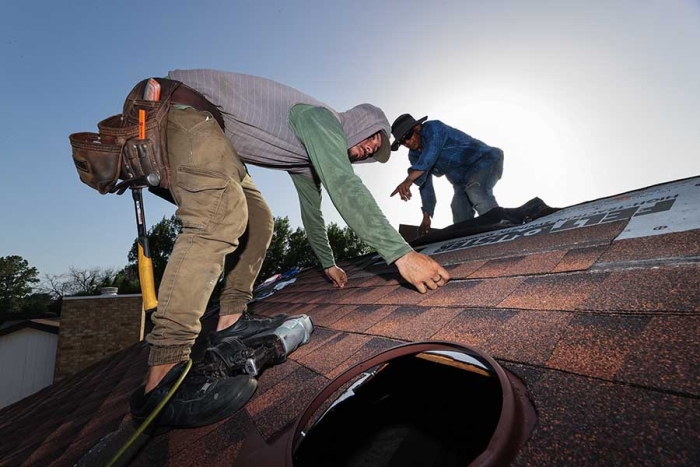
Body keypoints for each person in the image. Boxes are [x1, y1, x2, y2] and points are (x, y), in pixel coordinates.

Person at [131, 72, 451, 426]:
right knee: (220, 213)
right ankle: (161, 381)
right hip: (180, 107)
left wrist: (328, 264)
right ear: (361, 122)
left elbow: (312, 211)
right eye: (373, 138)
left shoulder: (306, 159)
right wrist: (401, 254)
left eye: (374, 152)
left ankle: (230, 321)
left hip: (213, 132)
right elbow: (343, 184)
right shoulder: (323, 119)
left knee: (259, 220)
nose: (371, 149)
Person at [389, 114, 504, 234]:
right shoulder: (414, 156)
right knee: (458, 209)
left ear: (417, 128)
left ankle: (499, 228)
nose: (407, 142)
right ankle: (468, 241)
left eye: (408, 136)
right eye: (402, 141)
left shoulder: (434, 128)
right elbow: (425, 185)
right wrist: (426, 215)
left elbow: (431, 153)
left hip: (485, 161)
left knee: (475, 189)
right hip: (462, 182)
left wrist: (408, 180)